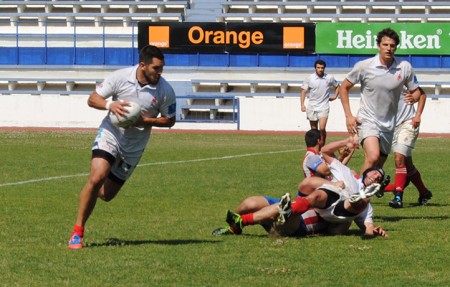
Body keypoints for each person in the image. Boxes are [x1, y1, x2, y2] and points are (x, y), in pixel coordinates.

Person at [68, 45, 177, 249]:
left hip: (134, 147)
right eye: (156, 68)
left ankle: (92, 192)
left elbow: (170, 120)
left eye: (162, 68)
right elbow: (92, 99)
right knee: (96, 176)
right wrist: (110, 105)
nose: (159, 72)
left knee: (105, 195)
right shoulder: (120, 77)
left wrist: (145, 120)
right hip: (111, 134)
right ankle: (77, 233)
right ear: (143, 65)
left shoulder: (165, 90)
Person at [213, 136, 389, 238]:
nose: (375, 176)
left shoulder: (367, 204)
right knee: (249, 203)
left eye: (378, 179)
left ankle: (251, 219)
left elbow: (367, 228)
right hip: (311, 197)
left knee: (340, 200)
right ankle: (235, 226)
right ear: (366, 173)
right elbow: (326, 153)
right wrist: (346, 142)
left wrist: (372, 231)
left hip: (313, 217)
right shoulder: (346, 172)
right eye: (375, 173)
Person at [339, 28, 421, 174]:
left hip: (389, 125)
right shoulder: (364, 66)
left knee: (376, 169)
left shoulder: (404, 67)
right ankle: (357, 193)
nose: (389, 48)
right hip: (368, 119)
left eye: (392, 45)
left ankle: (361, 195)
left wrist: (414, 97)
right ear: (378, 46)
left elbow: (417, 92)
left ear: (396, 47)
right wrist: (349, 116)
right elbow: (344, 87)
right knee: (373, 156)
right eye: (385, 45)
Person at [386, 87, 432, 208]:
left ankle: (398, 197)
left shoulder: (404, 78)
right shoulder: (381, 80)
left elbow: (422, 94)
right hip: (392, 127)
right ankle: (424, 192)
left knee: (399, 158)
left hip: (408, 124)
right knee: (408, 165)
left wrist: (417, 115)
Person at [300, 59, 340, 144]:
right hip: (312, 107)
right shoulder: (309, 78)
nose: (320, 69)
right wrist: (302, 105)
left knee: (322, 128)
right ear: (315, 68)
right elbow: (303, 91)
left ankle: (322, 146)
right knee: (314, 130)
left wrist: (335, 96)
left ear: (324, 68)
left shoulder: (329, 77)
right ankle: (315, 148)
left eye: (322, 68)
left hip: (324, 106)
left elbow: (338, 86)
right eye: (318, 67)